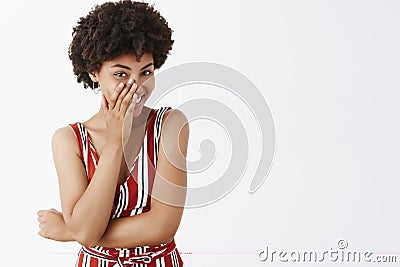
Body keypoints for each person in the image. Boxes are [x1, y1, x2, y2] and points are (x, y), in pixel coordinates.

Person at [37, 1, 189, 266]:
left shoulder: (170, 125)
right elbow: (85, 230)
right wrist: (115, 142)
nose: (137, 86)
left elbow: (162, 226)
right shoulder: (69, 140)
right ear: (94, 72)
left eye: (146, 72)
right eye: (121, 73)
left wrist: (71, 232)